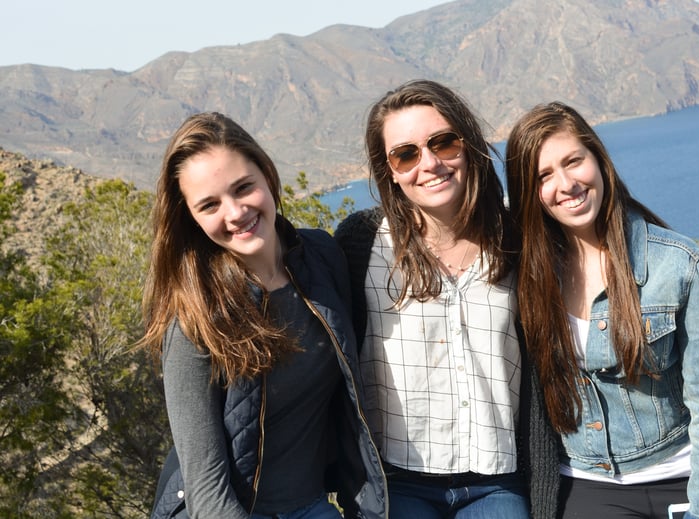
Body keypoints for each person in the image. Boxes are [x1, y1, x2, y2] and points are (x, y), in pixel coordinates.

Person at [141, 112, 386, 519]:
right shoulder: (194, 318)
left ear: (268, 177)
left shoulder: (324, 258)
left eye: (243, 188)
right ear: (192, 218)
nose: (235, 212)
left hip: (311, 506)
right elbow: (206, 491)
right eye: (210, 204)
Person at [334, 79, 560, 519]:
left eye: (443, 142)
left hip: (497, 480)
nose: (430, 163)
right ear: (390, 172)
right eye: (406, 153)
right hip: (398, 483)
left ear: (468, 145)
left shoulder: (517, 240)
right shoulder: (362, 244)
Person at [505, 101, 699, 519]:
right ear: (530, 192)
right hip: (590, 485)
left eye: (573, 161)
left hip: (682, 474)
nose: (565, 184)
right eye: (544, 175)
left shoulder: (683, 266)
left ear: (598, 159)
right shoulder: (528, 276)